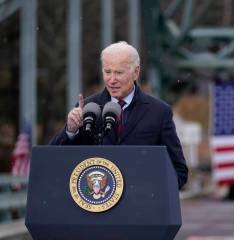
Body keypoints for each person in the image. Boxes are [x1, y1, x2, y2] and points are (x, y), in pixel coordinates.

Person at [50, 41, 188, 189]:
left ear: (136, 72)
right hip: (97, 202)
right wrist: (71, 131)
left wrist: (153, 192)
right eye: (107, 72)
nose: (112, 79)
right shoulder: (88, 108)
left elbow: (178, 170)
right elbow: (54, 159)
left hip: (141, 205)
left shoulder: (159, 112)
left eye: (119, 72)